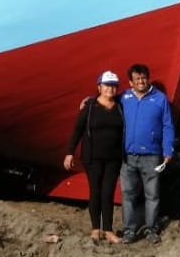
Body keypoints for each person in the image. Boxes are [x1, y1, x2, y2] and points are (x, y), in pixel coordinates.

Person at [64, 70, 124, 244]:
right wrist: (69, 153)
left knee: (108, 193)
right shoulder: (89, 107)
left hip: (113, 158)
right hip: (92, 158)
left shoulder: (120, 107)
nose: (110, 89)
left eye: (113, 86)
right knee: (95, 192)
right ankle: (95, 229)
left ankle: (108, 230)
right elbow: (77, 131)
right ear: (99, 87)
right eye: (107, 85)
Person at [119, 63, 175, 245]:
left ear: (148, 78)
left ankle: (151, 229)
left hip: (152, 156)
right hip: (128, 156)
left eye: (144, 78)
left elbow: (167, 125)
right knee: (128, 195)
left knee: (152, 195)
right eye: (137, 79)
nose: (141, 81)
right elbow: (106, 104)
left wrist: (168, 149)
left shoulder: (160, 99)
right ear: (131, 82)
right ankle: (129, 231)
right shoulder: (124, 98)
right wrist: (89, 101)